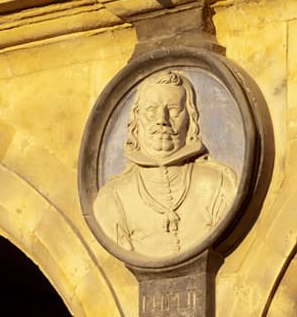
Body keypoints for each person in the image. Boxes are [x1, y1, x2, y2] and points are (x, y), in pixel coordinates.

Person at [93, 70, 238, 259]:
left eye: (173, 110)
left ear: (190, 119)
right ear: (136, 120)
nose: (162, 120)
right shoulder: (112, 198)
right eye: (151, 110)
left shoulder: (219, 185)